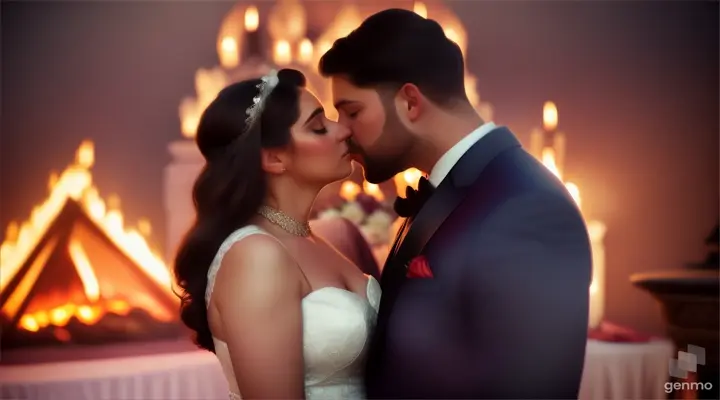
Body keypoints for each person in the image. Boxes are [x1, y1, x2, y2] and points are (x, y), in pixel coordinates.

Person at [319, 8, 592, 399]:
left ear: (409, 102)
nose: (342, 131)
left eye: (352, 111)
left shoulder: (525, 207)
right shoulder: (451, 190)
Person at [173, 68, 381, 400]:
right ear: (274, 158)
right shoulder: (256, 256)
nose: (343, 130)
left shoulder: (315, 238)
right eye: (318, 127)